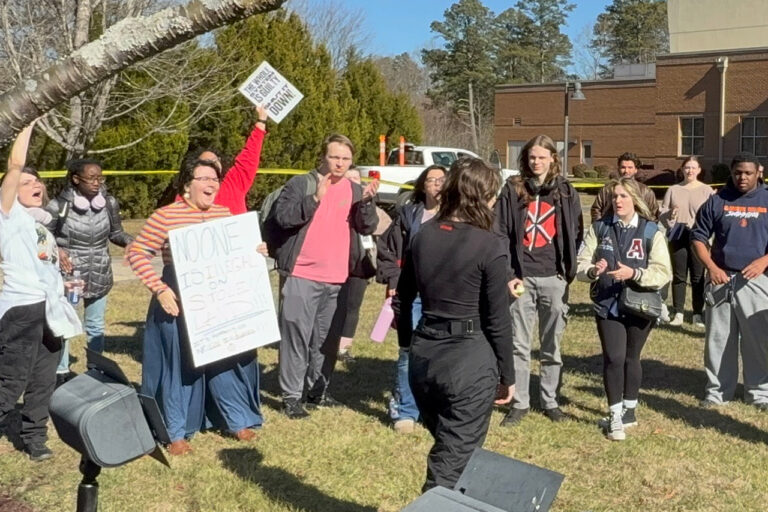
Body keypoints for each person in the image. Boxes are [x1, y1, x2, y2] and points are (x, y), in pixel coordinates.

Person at [395, 157, 514, 491]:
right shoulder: (489, 245)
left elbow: (402, 299)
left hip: (424, 358)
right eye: (493, 195)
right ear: (482, 197)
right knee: (449, 465)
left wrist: (407, 346)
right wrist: (508, 375)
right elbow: (497, 319)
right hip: (468, 362)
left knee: (453, 449)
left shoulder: (423, 235)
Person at [128, 154, 233, 455]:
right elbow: (137, 253)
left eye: (215, 179)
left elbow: (234, 254)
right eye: (204, 179)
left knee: (217, 359)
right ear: (187, 185)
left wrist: (256, 249)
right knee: (175, 364)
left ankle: (228, 418)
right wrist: (159, 289)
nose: (212, 184)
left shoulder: (224, 214)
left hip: (214, 299)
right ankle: (174, 431)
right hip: (175, 298)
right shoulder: (165, 216)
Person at [272, 134, 379, 419]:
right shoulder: (301, 184)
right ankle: (291, 396)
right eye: (335, 157)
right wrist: (314, 199)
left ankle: (316, 391)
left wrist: (367, 203)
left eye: (346, 159)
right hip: (301, 274)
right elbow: (283, 218)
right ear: (323, 157)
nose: (340, 163)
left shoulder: (355, 190)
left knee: (327, 341)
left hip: (338, 278)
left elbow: (367, 227)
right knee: (296, 338)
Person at [180, 108, 268, 442]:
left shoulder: (233, 187)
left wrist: (260, 123)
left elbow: (248, 159)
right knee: (201, 356)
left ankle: (237, 416)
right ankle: (197, 418)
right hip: (200, 293)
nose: (210, 177)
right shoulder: (180, 205)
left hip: (236, 287)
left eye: (214, 169)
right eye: (202, 171)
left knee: (235, 353)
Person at [0, 122, 82, 461]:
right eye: (26, 183)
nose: (36, 185)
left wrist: (64, 283)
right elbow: (15, 164)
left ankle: (35, 439)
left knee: (43, 380)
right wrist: (28, 122)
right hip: (22, 310)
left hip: (50, 309)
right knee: (10, 383)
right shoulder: (7, 217)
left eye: (37, 181)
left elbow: (42, 266)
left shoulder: (40, 224)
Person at [495, 135, 583, 426]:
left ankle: (550, 400)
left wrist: (566, 271)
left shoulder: (566, 191)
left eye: (542, 157)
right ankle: (520, 403)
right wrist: (509, 275)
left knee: (551, 346)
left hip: (554, 278)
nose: (536, 162)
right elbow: (499, 233)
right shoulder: (513, 189)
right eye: (532, 157)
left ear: (553, 159)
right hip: (521, 278)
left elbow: (576, 232)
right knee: (519, 345)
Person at [577, 177, 671, 441]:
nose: (617, 201)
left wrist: (635, 273)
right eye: (615, 196)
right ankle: (615, 415)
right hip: (607, 303)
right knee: (614, 357)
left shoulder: (651, 231)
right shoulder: (600, 228)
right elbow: (581, 262)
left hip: (640, 304)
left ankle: (630, 410)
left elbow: (663, 272)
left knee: (632, 357)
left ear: (635, 200)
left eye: (623, 196)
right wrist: (593, 271)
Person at [46, 159, 134, 385]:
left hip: (99, 273)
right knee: (65, 324)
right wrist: (58, 250)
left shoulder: (108, 203)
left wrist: (132, 242)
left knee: (95, 325)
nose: (97, 183)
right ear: (76, 179)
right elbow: (43, 237)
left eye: (100, 178)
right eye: (91, 178)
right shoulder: (58, 206)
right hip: (70, 275)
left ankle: (96, 370)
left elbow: (116, 233)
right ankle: (61, 372)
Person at [692, 152, 768, 410]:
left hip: (756, 280)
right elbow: (698, 237)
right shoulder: (718, 200)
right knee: (719, 339)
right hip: (721, 278)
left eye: (748, 173)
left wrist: (764, 261)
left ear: (759, 172)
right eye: (737, 173)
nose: (742, 177)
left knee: (758, 340)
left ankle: (758, 394)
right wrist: (711, 267)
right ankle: (717, 393)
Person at [377, 164, 446, 433]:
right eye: (432, 180)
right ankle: (406, 410)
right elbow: (387, 250)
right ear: (422, 186)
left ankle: (434, 407)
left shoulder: (457, 216)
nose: (438, 184)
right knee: (409, 351)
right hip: (412, 294)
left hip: (444, 297)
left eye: (442, 179)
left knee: (440, 353)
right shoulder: (408, 216)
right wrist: (394, 280)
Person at [336, 167, 392, 362]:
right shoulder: (335, 200)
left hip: (359, 263)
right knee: (333, 306)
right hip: (336, 262)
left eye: (356, 178)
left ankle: (344, 348)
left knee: (352, 307)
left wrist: (366, 202)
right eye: (349, 178)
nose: (353, 182)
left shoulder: (367, 202)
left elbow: (371, 225)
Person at [658, 156, 714, 327]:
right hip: (678, 235)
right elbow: (662, 213)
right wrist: (671, 214)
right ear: (682, 170)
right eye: (687, 167)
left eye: (693, 167)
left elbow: (713, 216)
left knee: (698, 277)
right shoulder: (673, 190)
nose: (690, 171)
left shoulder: (707, 190)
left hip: (699, 237)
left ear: (699, 170)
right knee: (679, 276)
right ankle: (679, 312)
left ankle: (697, 313)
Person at [590, 153, 659, 223]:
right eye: (623, 167)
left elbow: (653, 214)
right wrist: (600, 226)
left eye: (630, 167)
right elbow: (596, 210)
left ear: (636, 170)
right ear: (618, 169)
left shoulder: (646, 191)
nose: (626, 171)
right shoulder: (607, 190)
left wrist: (647, 228)